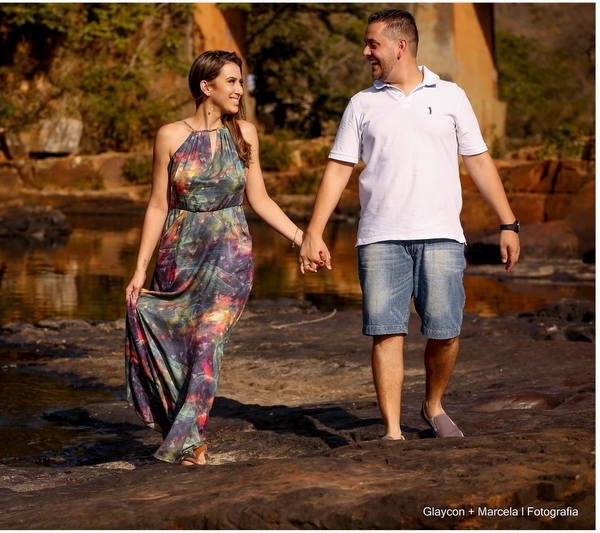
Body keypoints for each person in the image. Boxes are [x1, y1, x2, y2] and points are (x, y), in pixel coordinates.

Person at [299, 9, 521, 441]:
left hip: (441, 236)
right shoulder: (362, 104)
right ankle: (393, 431)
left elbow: (477, 160)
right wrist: (313, 231)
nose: (366, 52)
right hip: (380, 238)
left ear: (400, 46)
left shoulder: (452, 96)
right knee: (386, 332)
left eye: (372, 44)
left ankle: (433, 404)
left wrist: (508, 222)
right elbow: (338, 169)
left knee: (445, 330)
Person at [125, 50, 304, 465]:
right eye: (232, 82)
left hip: (229, 256)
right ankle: (182, 430)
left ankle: (188, 444)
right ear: (206, 88)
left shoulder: (246, 133)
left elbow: (259, 199)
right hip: (179, 254)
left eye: (241, 82)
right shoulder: (170, 136)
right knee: (177, 345)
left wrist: (302, 237)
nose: (240, 89)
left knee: (207, 342)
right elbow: (157, 205)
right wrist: (138, 269)